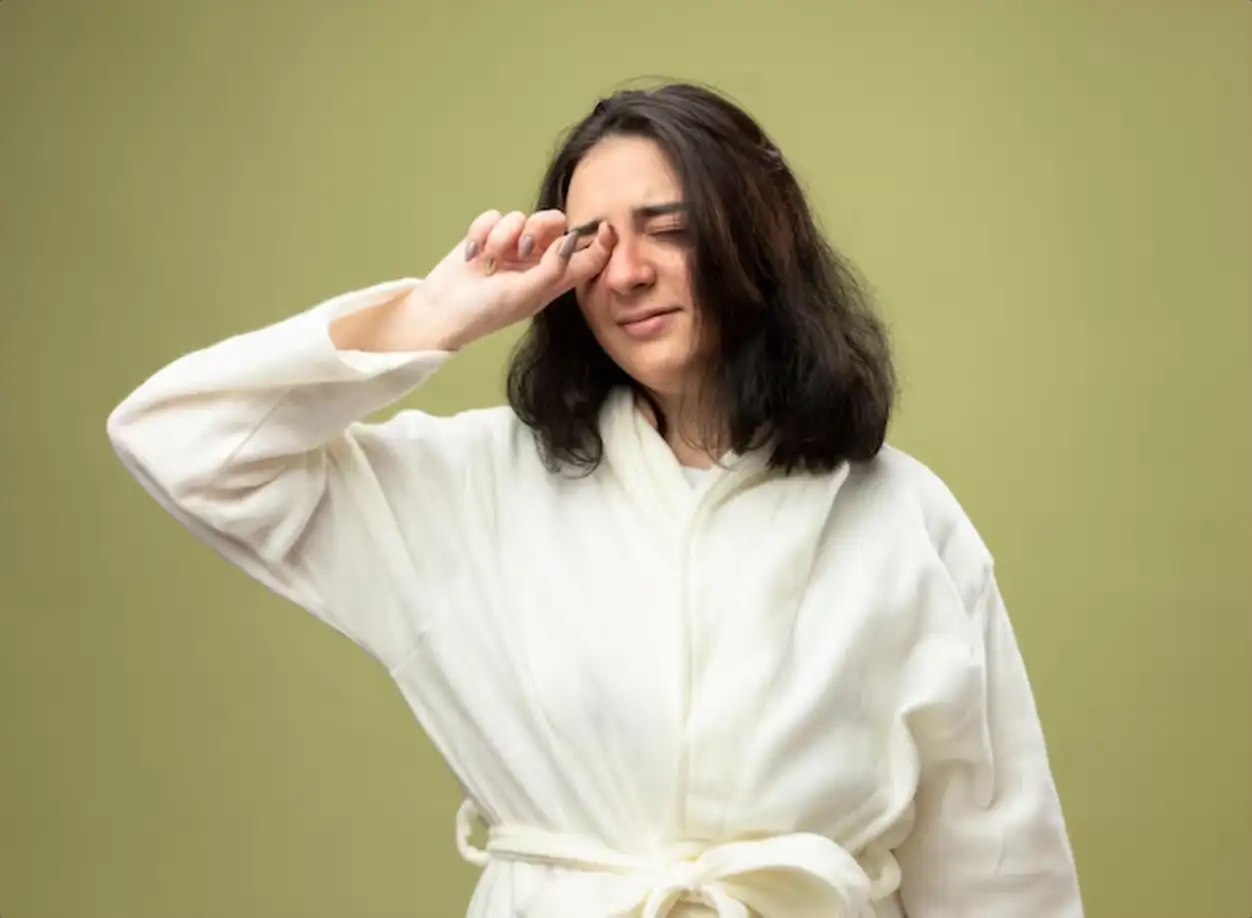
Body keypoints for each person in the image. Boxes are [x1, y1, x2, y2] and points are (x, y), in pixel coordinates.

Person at [107, 82, 1084, 917]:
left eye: (671, 231)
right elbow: (179, 440)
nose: (625, 272)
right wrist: (431, 318)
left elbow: (997, 870)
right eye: (591, 244)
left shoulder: (905, 520)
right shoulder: (472, 489)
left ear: (759, 241)